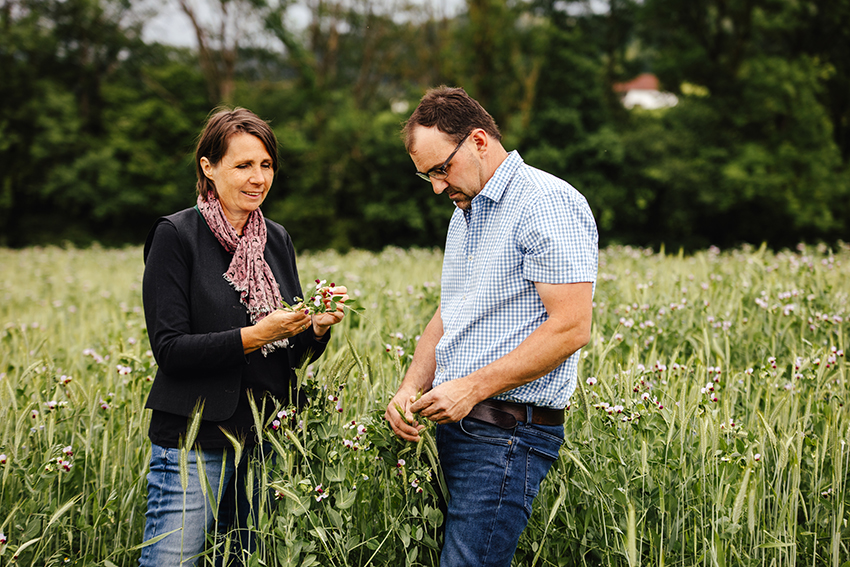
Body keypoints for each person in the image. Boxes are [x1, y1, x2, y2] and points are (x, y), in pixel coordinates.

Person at [385, 86, 598, 567]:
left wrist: (472, 389)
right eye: (427, 177)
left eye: (441, 169)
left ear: (478, 140)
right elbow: (449, 314)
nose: (438, 187)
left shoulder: (546, 203)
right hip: (459, 427)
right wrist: (409, 388)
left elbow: (571, 327)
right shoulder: (467, 210)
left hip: (507, 433)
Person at [139, 107, 347, 566]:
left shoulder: (276, 239)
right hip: (193, 440)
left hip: (267, 435)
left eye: (266, 164)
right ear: (208, 168)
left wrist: (314, 326)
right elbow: (170, 351)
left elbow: (289, 353)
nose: (258, 178)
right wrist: (254, 335)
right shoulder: (176, 235)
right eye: (243, 165)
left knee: (246, 561)